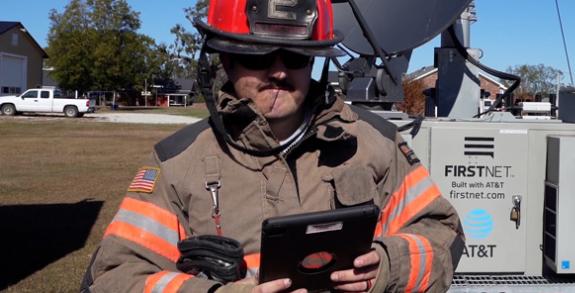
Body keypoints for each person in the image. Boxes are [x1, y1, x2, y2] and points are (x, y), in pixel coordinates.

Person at [81, 0, 464, 292]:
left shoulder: (374, 144)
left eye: (296, 56)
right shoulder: (178, 164)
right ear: (226, 58)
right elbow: (117, 275)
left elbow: (442, 235)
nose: (279, 71)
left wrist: (386, 267)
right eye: (259, 53)